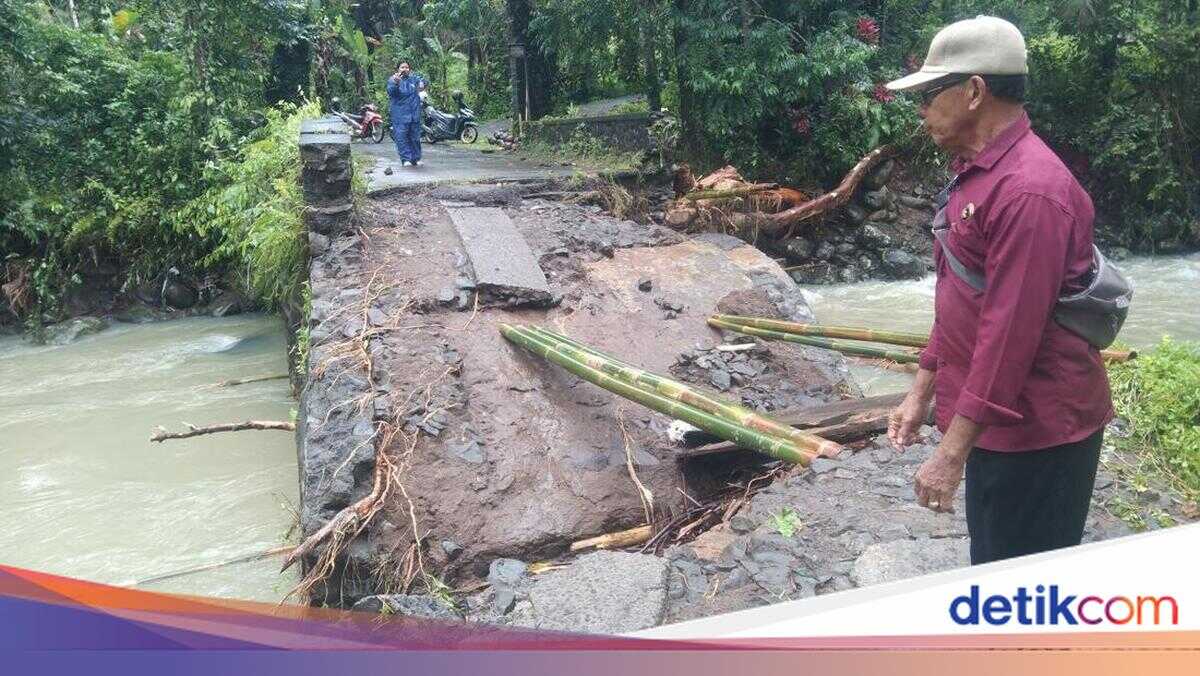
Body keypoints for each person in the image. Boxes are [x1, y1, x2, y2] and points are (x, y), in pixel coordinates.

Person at [884, 16, 1113, 565]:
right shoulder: (980, 174)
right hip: (996, 426)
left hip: (1039, 433)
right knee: (993, 560)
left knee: (1023, 582)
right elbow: (961, 296)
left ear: (973, 92)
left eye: (928, 95)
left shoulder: (1030, 191)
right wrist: (921, 392)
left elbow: (1010, 337)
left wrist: (950, 453)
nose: (921, 111)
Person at [386, 61, 427, 166]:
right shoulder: (393, 80)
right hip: (400, 114)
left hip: (414, 114)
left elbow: (423, 81)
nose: (405, 69)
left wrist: (423, 83)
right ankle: (406, 159)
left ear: (409, 69)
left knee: (415, 137)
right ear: (398, 69)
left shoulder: (413, 79)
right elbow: (391, 92)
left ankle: (416, 158)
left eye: (407, 67)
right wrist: (396, 83)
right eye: (402, 67)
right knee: (402, 138)